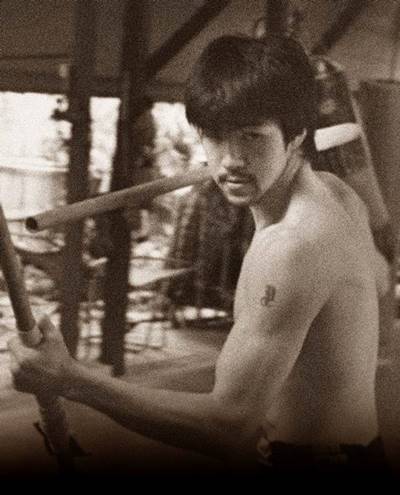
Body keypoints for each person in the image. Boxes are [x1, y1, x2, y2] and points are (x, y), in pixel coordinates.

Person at [8, 34, 391, 475]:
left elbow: (228, 425)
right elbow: (378, 280)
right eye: (214, 136)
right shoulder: (339, 195)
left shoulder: (292, 245)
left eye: (252, 136)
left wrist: (70, 379)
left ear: (296, 137)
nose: (230, 160)